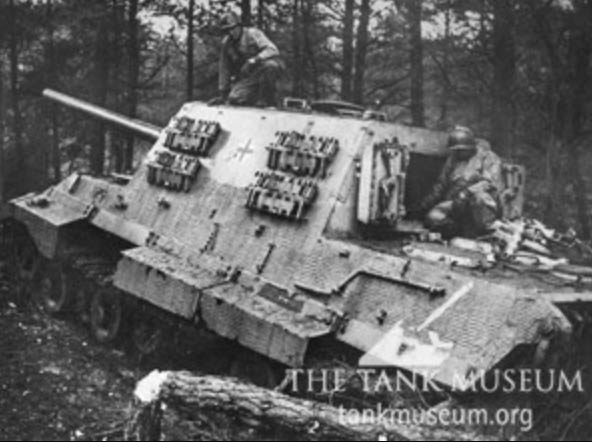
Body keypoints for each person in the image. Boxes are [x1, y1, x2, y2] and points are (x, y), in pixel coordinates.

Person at [414, 126, 503, 238]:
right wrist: (424, 206)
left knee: (480, 199)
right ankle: (461, 230)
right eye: (456, 150)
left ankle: (486, 231)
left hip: (481, 203)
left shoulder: (488, 157)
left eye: (461, 150)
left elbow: (489, 183)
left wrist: (467, 192)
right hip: (457, 203)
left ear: (470, 147)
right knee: (433, 217)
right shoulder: (453, 159)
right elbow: (441, 184)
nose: (458, 153)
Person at [209, 11, 283, 107]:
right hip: (248, 78)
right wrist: (223, 93)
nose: (231, 32)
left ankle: (268, 100)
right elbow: (224, 68)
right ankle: (254, 97)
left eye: (233, 28)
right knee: (234, 98)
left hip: (262, 72)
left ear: (239, 25)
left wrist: (254, 60)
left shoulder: (253, 33)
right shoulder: (227, 44)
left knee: (271, 66)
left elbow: (273, 49)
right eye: (228, 30)